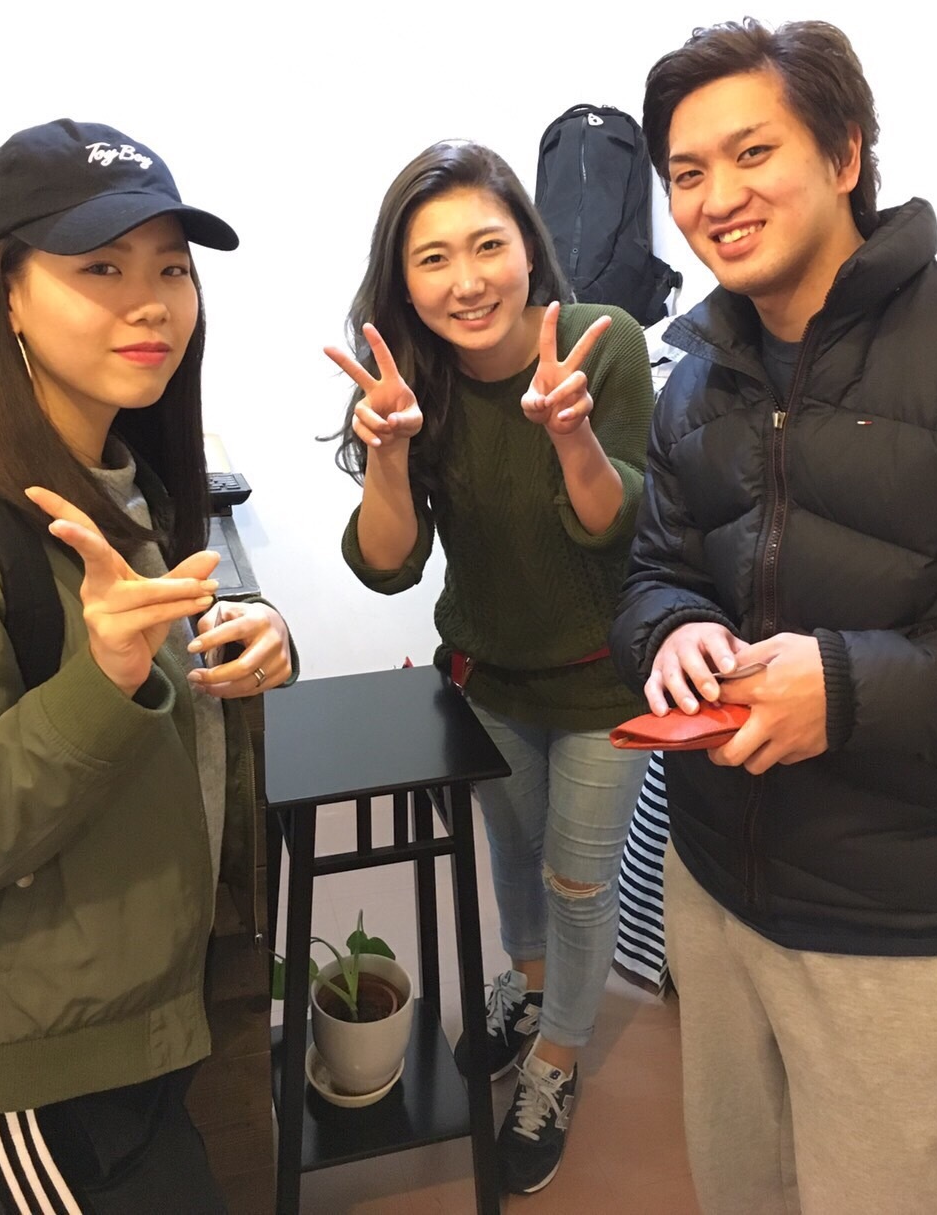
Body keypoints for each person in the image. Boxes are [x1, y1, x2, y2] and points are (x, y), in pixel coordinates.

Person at [610, 20, 937, 1215]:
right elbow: (654, 571)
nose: (715, 197)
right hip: (714, 887)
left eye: (751, 152)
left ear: (844, 154)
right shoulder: (693, 376)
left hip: (897, 916)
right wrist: (671, 629)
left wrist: (846, 688)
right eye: (685, 172)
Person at [0, 120, 295, 1214]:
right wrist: (101, 681)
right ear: (6, 298)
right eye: (101, 268)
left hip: (147, 1008)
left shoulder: (130, 481)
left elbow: (152, 654)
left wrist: (260, 633)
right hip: (41, 1062)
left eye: (171, 267)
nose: (150, 302)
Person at [325, 139, 653, 1195]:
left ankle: (556, 1056)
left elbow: (612, 524)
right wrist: (387, 455)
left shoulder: (602, 343)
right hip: (488, 675)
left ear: (527, 247)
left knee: (577, 877)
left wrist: (570, 434)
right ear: (402, 278)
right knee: (514, 857)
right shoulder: (410, 380)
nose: (466, 280)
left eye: (487, 246)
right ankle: (534, 986)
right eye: (433, 258)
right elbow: (386, 566)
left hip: (601, 681)